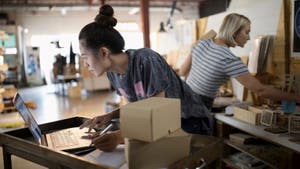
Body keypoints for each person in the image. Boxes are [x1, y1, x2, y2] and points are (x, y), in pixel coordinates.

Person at [78, 4, 213, 152]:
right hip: (165, 126)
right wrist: (109, 116)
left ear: (104, 52)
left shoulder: (146, 60)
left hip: (189, 122)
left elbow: (158, 115)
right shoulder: (112, 73)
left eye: (85, 56)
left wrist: (118, 137)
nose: (85, 64)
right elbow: (138, 108)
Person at [179, 13, 300, 110]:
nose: (248, 37)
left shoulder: (202, 43)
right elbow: (260, 90)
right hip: (198, 109)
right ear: (234, 31)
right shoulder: (229, 59)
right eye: (246, 32)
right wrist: (296, 97)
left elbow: (183, 71)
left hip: (183, 101)